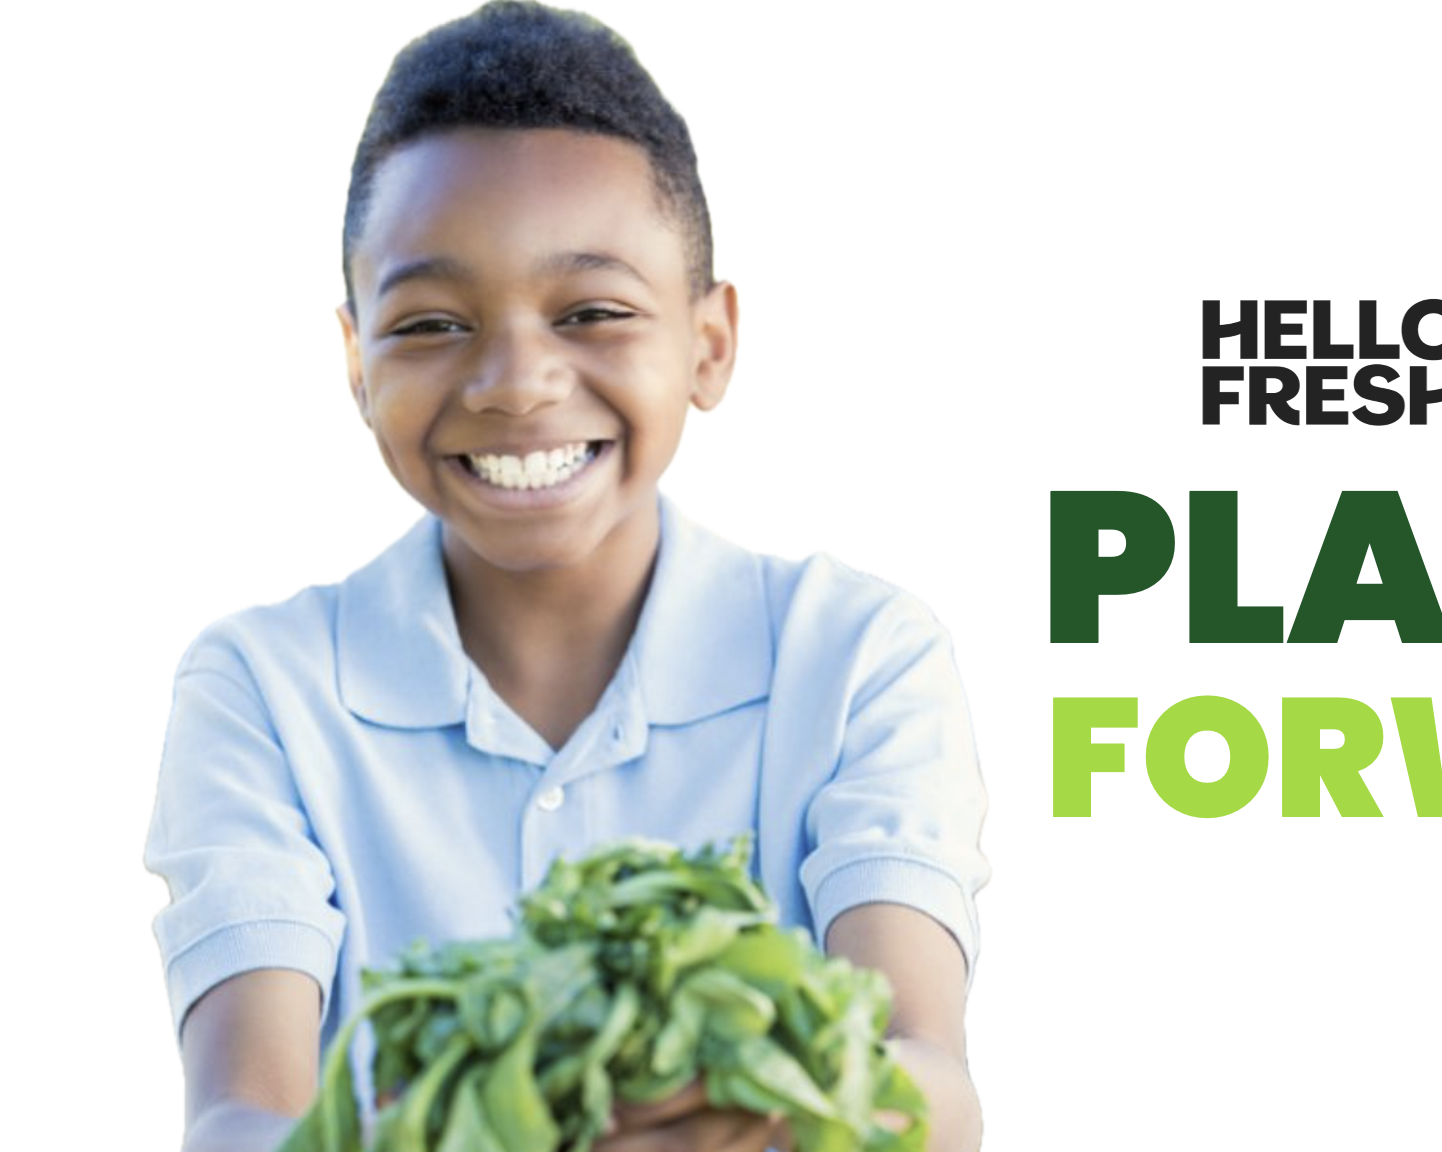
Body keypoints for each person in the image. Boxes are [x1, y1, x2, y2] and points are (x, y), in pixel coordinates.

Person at [142, 4, 989, 1150]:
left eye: (592, 313)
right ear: (355, 361)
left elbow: (928, 1076)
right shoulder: (262, 686)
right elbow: (241, 1114)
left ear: (709, 344)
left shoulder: (855, 654)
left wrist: (755, 1119)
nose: (514, 381)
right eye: (431, 324)